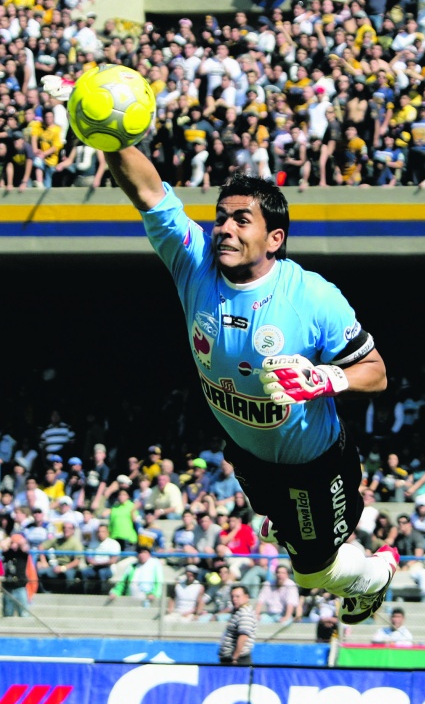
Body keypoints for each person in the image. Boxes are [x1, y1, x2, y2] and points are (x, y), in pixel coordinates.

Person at [48, 101, 400, 626]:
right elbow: (148, 192)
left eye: (241, 220)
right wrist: (103, 132)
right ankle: (294, 531)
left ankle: (376, 573)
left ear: (274, 238)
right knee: (289, 539)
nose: (224, 229)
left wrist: (325, 378)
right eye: (220, 218)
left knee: (311, 574)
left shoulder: (312, 297)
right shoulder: (195, 263)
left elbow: (377, 371)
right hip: (247, 453)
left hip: (314, 463)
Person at [218, 584, 257, 665]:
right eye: (232, 596)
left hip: (238, 660)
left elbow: (243, 636)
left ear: (246, 597)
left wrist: (235, 657)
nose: (234, 599)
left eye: (237, 596)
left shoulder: (245, 613)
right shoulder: (238, 612)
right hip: (229, 658)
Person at [79, 522, 121, 594]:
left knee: (102, 572)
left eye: (103, 531)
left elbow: (113, 560)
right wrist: (92, 561)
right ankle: (85, 594)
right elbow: (89, 558)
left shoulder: (114, 543)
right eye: (99, 532)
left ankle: (102, 594)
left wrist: (98, 563)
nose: (100, 534)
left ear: (108, 533)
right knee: (84, 572)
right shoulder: (92, 543)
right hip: (95, 568)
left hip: (109, 568)